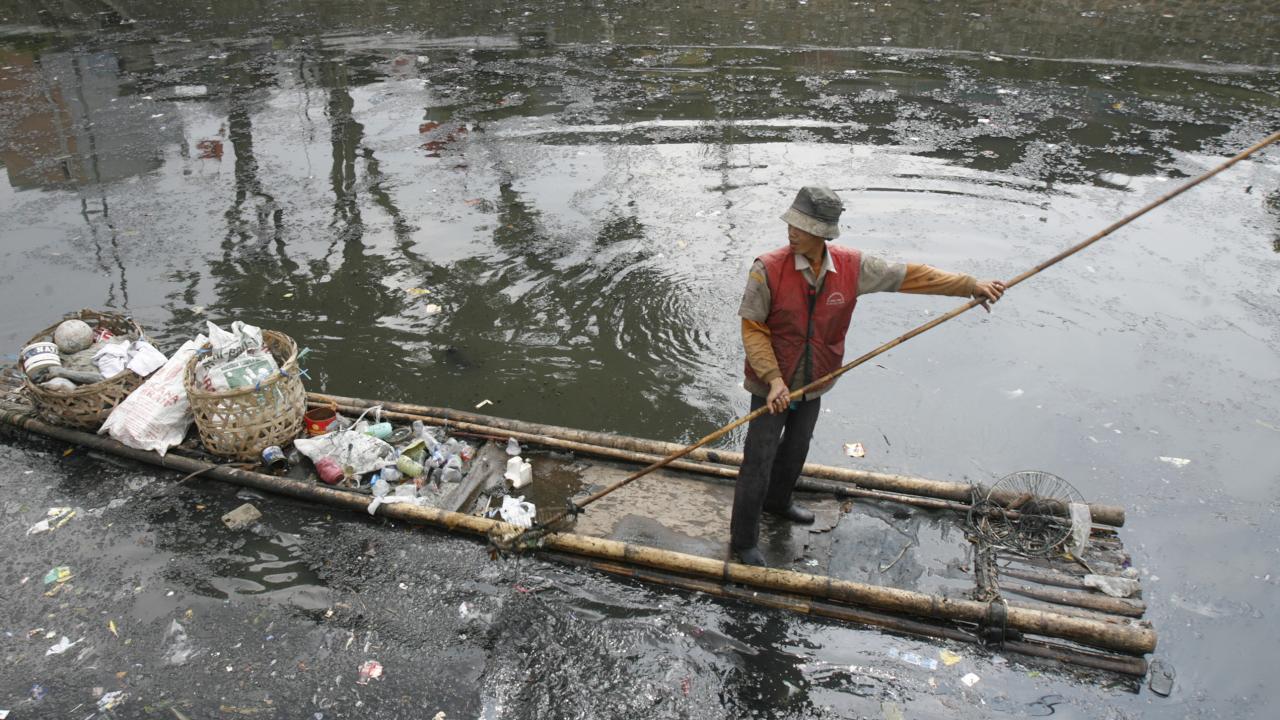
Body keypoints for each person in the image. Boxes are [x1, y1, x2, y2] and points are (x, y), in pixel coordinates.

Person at [731, 186, 1006, 566]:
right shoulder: (767, 269)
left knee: (797, 447)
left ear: (824, 233)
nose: (792, 232)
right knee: (758, 458)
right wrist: (774, 380)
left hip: (815, 380)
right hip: (771, 383)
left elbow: (910, 276)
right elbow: (753, 330)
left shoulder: (853, 268)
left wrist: (969, 286)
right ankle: (743, 540)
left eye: (802, 226)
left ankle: (777, 503)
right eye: (791, 223)